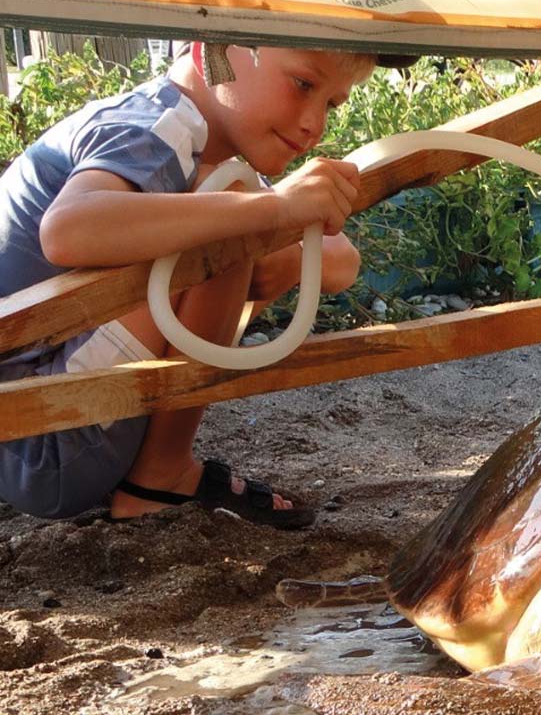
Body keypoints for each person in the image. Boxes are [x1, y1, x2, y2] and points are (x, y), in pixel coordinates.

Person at [0, 41, 413, 528]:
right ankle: (159, 476)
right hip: (38, 440)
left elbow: (342, 263)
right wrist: (272, 212)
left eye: (331, 104)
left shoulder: (205, 154)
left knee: (239, 222)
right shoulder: (160, 127)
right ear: (213, 48)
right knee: (232, 225)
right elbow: (67, 229)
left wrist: (276, 239)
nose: (314, 124)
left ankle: (156, 464)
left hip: (39, 434)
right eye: (303, 84)